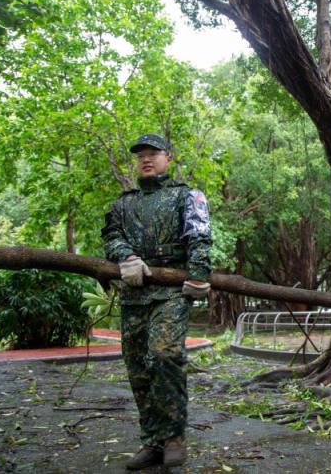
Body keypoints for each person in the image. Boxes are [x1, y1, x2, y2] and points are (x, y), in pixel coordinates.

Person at [101, 133, 212, 470]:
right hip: (134, 296)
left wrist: (198, 274)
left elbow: (199, 232)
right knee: (137, 367)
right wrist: (126, 256)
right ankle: (153, 442)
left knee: (164, 355)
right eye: (140, 155)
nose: (146, 160)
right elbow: (110, 235)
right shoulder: (123, 203)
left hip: (171, 293)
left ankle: (175, 437)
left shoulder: (186, 195)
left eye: (153, 153)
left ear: (169, 157)